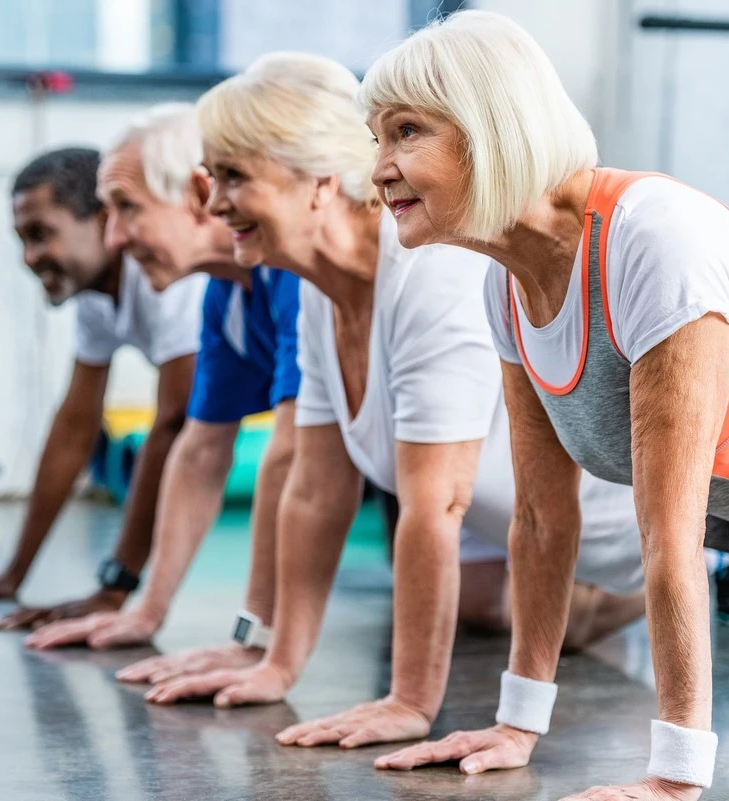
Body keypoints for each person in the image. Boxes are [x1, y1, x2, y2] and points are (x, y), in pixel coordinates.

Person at [357, 10, 729, 800]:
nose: (378, 168)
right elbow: (543, 522)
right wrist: (517, 724)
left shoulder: (656, 238)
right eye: (376, 138)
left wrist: (675, 778)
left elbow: (668, 532)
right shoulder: (507, 287)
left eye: (405, 132)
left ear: (489, 126)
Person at [134, 53, 646, 751]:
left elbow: (435, 505)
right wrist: (276, 658)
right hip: (540, 542)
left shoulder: (430, 272)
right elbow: (315, 490)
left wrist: (410, 700)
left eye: (233, 177)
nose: (214, 203)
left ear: (317, 180)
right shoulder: (319, 291)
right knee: (486, 605)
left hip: (635, 539)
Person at [23, 106, 302, 679]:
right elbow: (198, 451)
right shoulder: (222, 297)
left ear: (198, 196)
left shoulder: (284, 277)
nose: (117, 237)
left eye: (127, 210)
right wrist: (147, 609)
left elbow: (289, 456)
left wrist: (260, 644)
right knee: (478, 606)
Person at [0, 147, 207, 630]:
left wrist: (113, 589)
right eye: (22, 240)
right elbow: (74, 428)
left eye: (42, 235)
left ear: (105, 221)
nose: (30, 257)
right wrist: (13, 574)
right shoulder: (97, 294)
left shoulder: (168, 279)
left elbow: (174, 424)